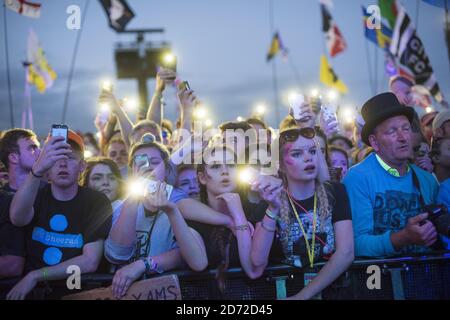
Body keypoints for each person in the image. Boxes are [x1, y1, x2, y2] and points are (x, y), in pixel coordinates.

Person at [251, 124, 354, 300]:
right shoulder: (269, 202)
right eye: (297, 154)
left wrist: (303, 296)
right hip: (286, 292)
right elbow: (257, 262)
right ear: (281, 165)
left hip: (334, 294)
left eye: (312, 152)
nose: (308, 158)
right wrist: (273, 209)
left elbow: (346, 253)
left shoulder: (335, 193)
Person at [7, 131, 112, 300]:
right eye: (56, 157)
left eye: (70, 157)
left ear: (82, 166)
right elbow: (17, 218)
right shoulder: (35, 192)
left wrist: (36, 275)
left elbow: (89, 261)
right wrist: (37, 171)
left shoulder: (96, 201)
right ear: (47, 164)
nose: (63, 163)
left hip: (74, 293)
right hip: (32, 294)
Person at [104, 134, 207, 298]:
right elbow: (117, 254)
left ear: (166, 170)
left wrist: (143, 265)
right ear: (132, 171)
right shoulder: (117, 207)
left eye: (154, 162)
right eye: (140, 162)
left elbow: (193, 260)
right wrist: (132, 198)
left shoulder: (181, 206)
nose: (148, 167)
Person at [343, 93, 440, 258]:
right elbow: (357, 244)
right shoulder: (358, 178)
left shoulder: (427, 180)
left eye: (405, 128)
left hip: (426, 277)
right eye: (392, 131)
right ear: (374, 142)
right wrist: (403, 237)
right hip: (381, 279)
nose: (402, 138)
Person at [189, 145, 266, 294]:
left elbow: (252, 270)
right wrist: (230, 221)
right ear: (202, 178)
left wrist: (238, 215)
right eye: (216, 166)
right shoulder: (195, 221)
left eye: (231, 165)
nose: (225, 171)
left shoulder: (257, 212)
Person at [0, 129, 41, 279]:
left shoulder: (51, 192)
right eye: (32, 148)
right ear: (13, 157)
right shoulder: (3, 199)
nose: (40, 152)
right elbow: (11, 265)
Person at [79, 157, 125, 223]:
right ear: (85, 183)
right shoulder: (78, 212)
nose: (106, 182)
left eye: (111, 178)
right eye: (97, 178)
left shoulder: (132, 211)